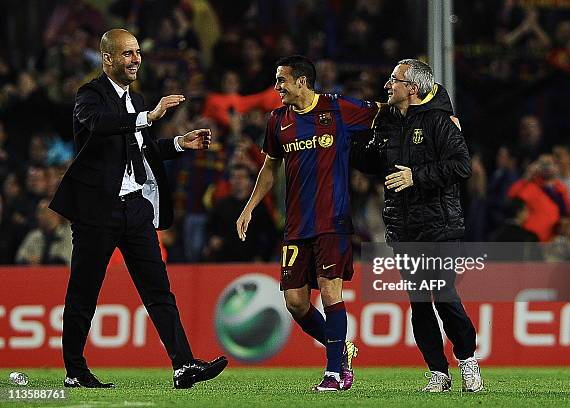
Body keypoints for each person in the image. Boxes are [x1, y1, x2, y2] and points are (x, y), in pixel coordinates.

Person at [49, 29, 227, 389]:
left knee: (159, 290)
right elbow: (101, 126)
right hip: (97, 213)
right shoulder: (90, 96)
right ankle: (75, 371)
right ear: (108, 59)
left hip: (135, 210)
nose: (135, 59)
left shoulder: (137, 100)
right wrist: (149, 116)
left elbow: (142, 148)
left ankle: (183, 365)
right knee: (84, 293)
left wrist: (179, 142)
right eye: (127, 54)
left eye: (137, 53)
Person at [236, 55, 380, 392]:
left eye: (281, 81)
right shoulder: (277, 121)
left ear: (302, 81)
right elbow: (270, 168)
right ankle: (340, 350)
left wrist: (431, 114)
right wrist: (249, 207)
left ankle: (335, 374)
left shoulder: (337, 108)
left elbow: (383, 112)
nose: (277, 88)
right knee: (296, 303)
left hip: (333, 220)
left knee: (330, 291)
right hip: (296, 225)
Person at [351, 59, 483, 392]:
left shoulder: (440, 121)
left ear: (412, 88)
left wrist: (416, 176)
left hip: (439, 224)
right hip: (403, 226)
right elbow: (374, 161)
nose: (387, 86)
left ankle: (467, 360)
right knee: (419, 300)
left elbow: (461, 166)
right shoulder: (388, 121)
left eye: (393, 80)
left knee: (443, 293)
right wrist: (343, 146)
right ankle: (439, 371)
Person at [15, 198, 71, 265]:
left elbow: (65, 260)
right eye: (38, 212)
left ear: (54, 213)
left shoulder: (68, 234)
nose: (38, 215)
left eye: (42, 211)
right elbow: (19, 258)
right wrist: (29, 261)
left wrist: (42, 262)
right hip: (35, 274)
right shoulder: (34, 235)